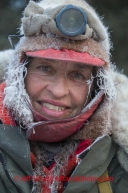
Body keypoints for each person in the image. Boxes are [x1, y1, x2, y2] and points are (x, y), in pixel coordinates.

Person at [0, 0, 128, 192]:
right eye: (45, 68)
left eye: (78, 75)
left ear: (96, 87)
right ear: (20, 73)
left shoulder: (120, 162)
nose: (59, 91)